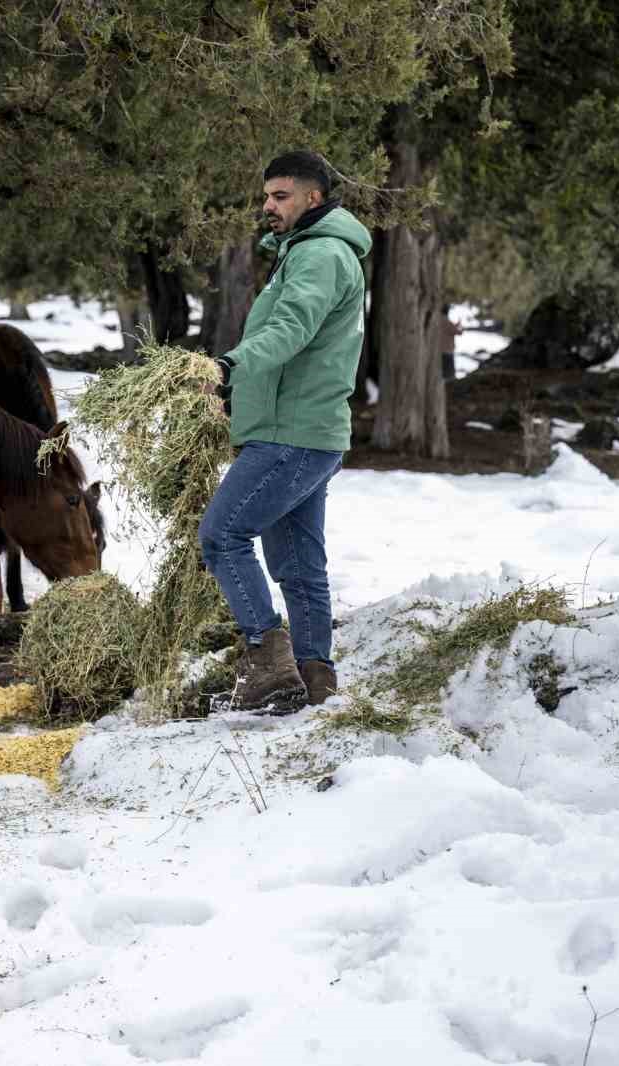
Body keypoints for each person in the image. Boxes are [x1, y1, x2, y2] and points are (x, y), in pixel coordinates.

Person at [199, 150, 371, 713]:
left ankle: (268, 660)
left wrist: (228, 367)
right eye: (267, 195)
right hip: (304, 432)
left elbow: (291, 329)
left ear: (313, 198)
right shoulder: (310, 252)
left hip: (291, 435)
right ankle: (314, 679)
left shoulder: (320, 256)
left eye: (280, 196)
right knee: (298, 566)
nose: (267, 206)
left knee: (221, 536)